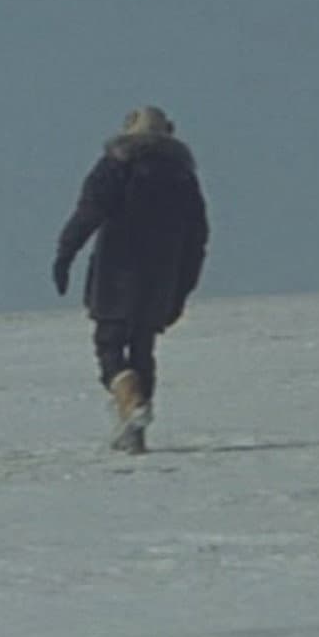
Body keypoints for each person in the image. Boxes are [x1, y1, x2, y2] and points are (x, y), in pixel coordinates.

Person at [52, 106, 209, 453]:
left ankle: (129, 400)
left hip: (116, 269)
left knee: (109, 344)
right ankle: (134, 428)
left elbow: (89, 211)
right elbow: (196, 237)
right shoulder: (182, 176)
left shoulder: (115, 165)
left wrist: (65, 253)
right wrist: (183, 287)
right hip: (162, 275)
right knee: (142, 346)